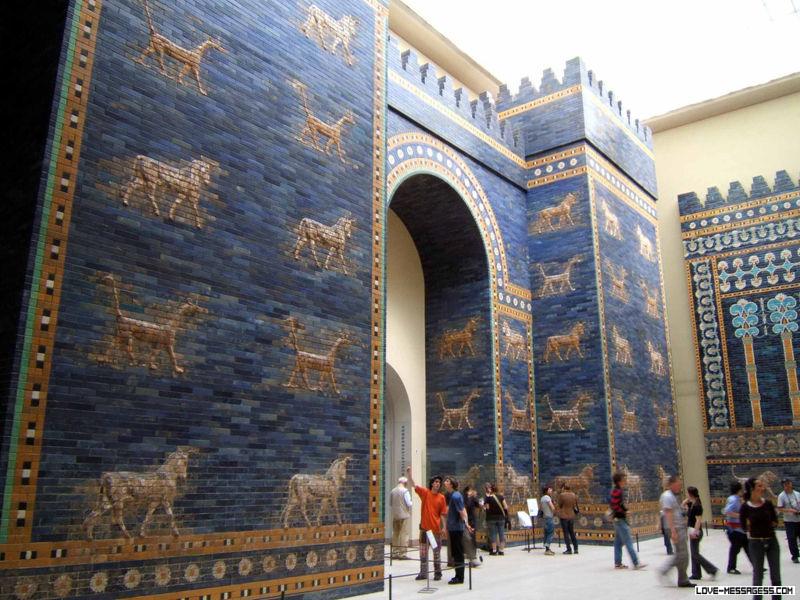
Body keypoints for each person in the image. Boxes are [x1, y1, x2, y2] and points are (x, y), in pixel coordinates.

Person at [741, 477, 781, 599]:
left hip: (771, 541)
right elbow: (744, 527)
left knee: (775, 574)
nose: (762, 488)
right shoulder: (745, 507)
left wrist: (768, 523)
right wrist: (751, 525)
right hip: (755, 543)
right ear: (751, 489)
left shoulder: (767, 504)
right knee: (758, 574)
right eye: (759, 486)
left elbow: (775, 521)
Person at [406, 466, 447, 581]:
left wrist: (444, 527)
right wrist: (409, 475)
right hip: (424, 529)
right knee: (423, 553)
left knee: (436, 552)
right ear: (432, 483)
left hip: (434, 531)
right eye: (436, 482)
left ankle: (437, 573)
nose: (438, 484)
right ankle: (423, 573)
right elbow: (414, 485)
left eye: (439, 482)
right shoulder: (425, 493)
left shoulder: (441, 498)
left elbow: (443, 514)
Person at [659, 475, 692, 587]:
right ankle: (665, 570)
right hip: (675, 528)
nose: (680, 486)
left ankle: (682, 579)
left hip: (678, 527)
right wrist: (673, 531)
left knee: (682, 554)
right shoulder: (667, 496)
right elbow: (668, 514)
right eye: (678, 484)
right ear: (672, 484)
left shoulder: (673, 495)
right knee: (682, 554)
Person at [610, 471, 645, 570]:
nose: (626, 481)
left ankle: (618, 563)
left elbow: (618, 504)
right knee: (628, 541)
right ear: (619, 481)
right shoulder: (617, 491)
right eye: (624, 479)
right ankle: (636, 563)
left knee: (618, 542)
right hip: (620, 519)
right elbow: (615, 506)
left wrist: (625, 510)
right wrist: (624, 512)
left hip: (617, 519)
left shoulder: (616, 490)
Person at [443, 477, 473, 585]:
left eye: (447, 481)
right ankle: (458, 575)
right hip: (454, 527)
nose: (445, 482)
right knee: (456, 552)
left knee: (458, 553)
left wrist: (466, 524)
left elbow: (462, 511)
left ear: (451, 484)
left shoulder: (455, 496)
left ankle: (459, 577)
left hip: (456, 528)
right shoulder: (454, 495)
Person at [684, 486, 718, 580]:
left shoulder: (697, 505)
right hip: (692, 530)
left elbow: (698, 520)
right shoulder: (692, 503)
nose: (686, 495)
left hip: (696, 531)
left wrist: (695, 532)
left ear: (690, 494)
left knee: (695, 554)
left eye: (687, 493)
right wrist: (687, 500)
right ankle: (696, 574)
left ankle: (712, 569)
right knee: (694, 553)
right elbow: (683, 505)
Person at [724, 480, 751, 574]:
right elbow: (727, 511)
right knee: (735, 548)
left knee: (747, 547)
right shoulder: (734, 499)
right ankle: (731, 568)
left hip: (739, 529)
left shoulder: (736, 498)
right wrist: (741, 516)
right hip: (734, 529)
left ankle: (757, 565)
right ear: (739, 490)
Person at [777, 477, 800, 564]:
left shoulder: (797, 494)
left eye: (788, 483)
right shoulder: (781, 496)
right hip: (789, 521)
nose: (787, 486)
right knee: (791, 539)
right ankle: (795, 556)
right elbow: (780, 508)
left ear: (791, 484)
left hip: (799, 519)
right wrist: (790, 510)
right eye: (785, 484)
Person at [390, 476, 413, 559]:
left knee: (395, 533)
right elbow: (409, 503)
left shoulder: (392, 491)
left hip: (395, 515)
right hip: (404, 515)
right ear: (405, 483)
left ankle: (394, 552)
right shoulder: (405, 491)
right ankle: (402, 554)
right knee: (404, 534)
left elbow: (391, 503)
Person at [482, 482, 508, 556]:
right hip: (501, 518)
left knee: (493, 534)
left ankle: (494, 550)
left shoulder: (488, 498)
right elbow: (506, 507)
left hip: (491, 518)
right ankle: (501, 550)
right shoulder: (501, 497)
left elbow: (487, 508)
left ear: (491, 490)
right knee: (501, 533)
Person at [557, 483, 579, 554]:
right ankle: (576, 548)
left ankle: (569, 549)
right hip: (571, 515)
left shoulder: (562, 495)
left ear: (564, 488)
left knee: (566, 533)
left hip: (564, 516)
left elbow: (560, 505)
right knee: (572, 532)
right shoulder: (574, 495)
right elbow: (575, 505)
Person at [463, 485, 481, 567]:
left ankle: (472, 555)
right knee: (467, 538)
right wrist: (470, 497)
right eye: (470, 490)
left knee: (472, 538)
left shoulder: (473, 498)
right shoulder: (464, 498)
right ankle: (469, 555)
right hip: (466, 520)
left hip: (472, 520)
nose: (472, 492)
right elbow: (466, 506)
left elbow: (478, 505)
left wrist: (475, 497)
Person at [541, 485, 556, 556]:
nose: (551, 490)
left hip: (545, 518)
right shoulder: (547, 498)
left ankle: (547, 548)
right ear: (546, 491)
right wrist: (554, 512)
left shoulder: (542, 498)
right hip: (549, 517)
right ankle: (547, 549)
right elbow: (552, 507)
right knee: (550, 533)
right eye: (550, 489)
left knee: (546, 533)